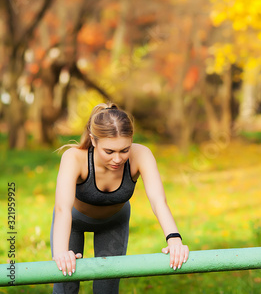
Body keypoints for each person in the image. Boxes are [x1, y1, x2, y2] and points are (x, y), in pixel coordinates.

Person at [51, 103, 189, 294]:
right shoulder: (74, 158)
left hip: (113, 223)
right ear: (93, 140)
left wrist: (174, 239)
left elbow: (158, 201)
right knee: (66, 285)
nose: (117, 159)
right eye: (109, 152)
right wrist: (60, 252)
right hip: (73, 221)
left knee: (106, 287)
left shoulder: (141, 155)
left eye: (124, 150)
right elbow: (62, 209)